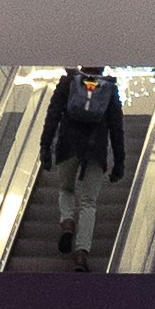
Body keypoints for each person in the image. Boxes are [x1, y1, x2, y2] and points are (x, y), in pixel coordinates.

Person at [43, 62, 127, 260]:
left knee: (66, 189)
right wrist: (119, 162)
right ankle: (81, 252)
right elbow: (117, 128)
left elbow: (52, 116)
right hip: (95, 150)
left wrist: (45, 147)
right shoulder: (109, 89)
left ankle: (67, 222)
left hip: (67, 146)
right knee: (89, 202)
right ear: (102, 68)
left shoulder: (68, 83)